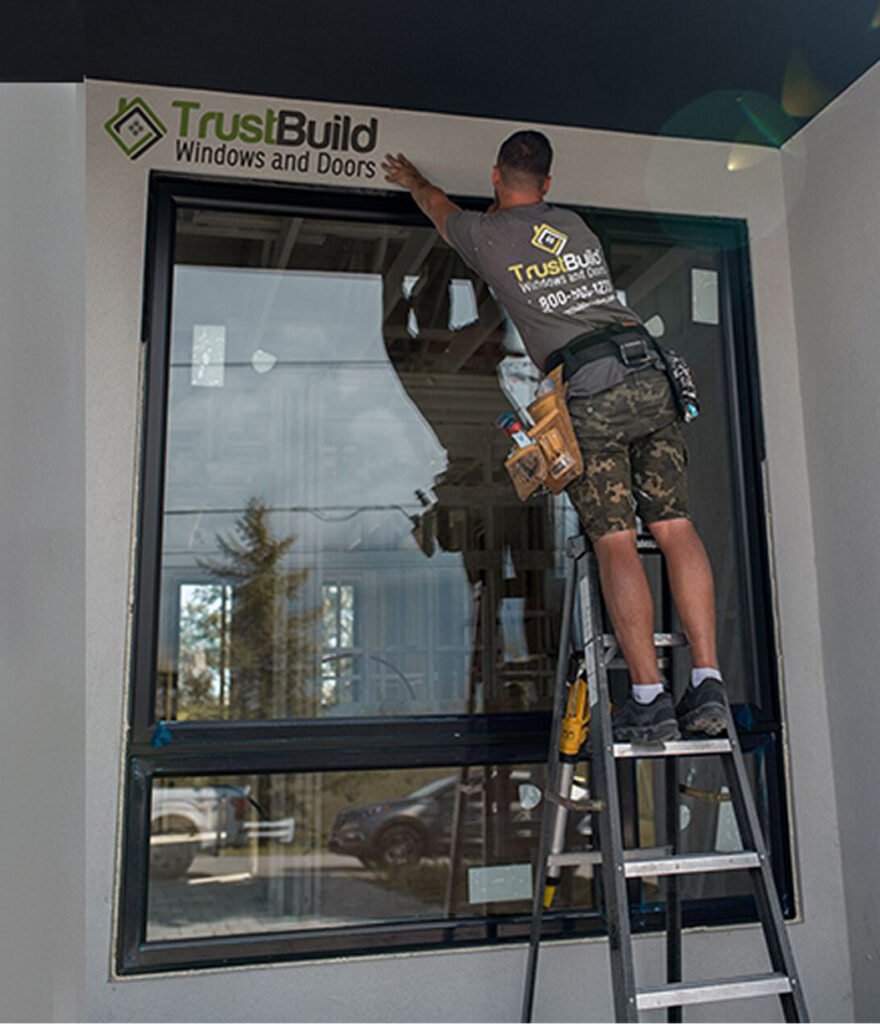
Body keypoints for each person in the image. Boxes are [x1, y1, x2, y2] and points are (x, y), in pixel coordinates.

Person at [381, 131, 728, 742]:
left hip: (592, 391)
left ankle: (649, 697)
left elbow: (437, 207)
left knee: (615, 542)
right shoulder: (574, 226)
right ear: (547, 184)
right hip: (650, 375)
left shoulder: (485, 236)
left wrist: (414, 180)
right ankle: (707, 682)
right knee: (675, 528)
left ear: (495, 176)